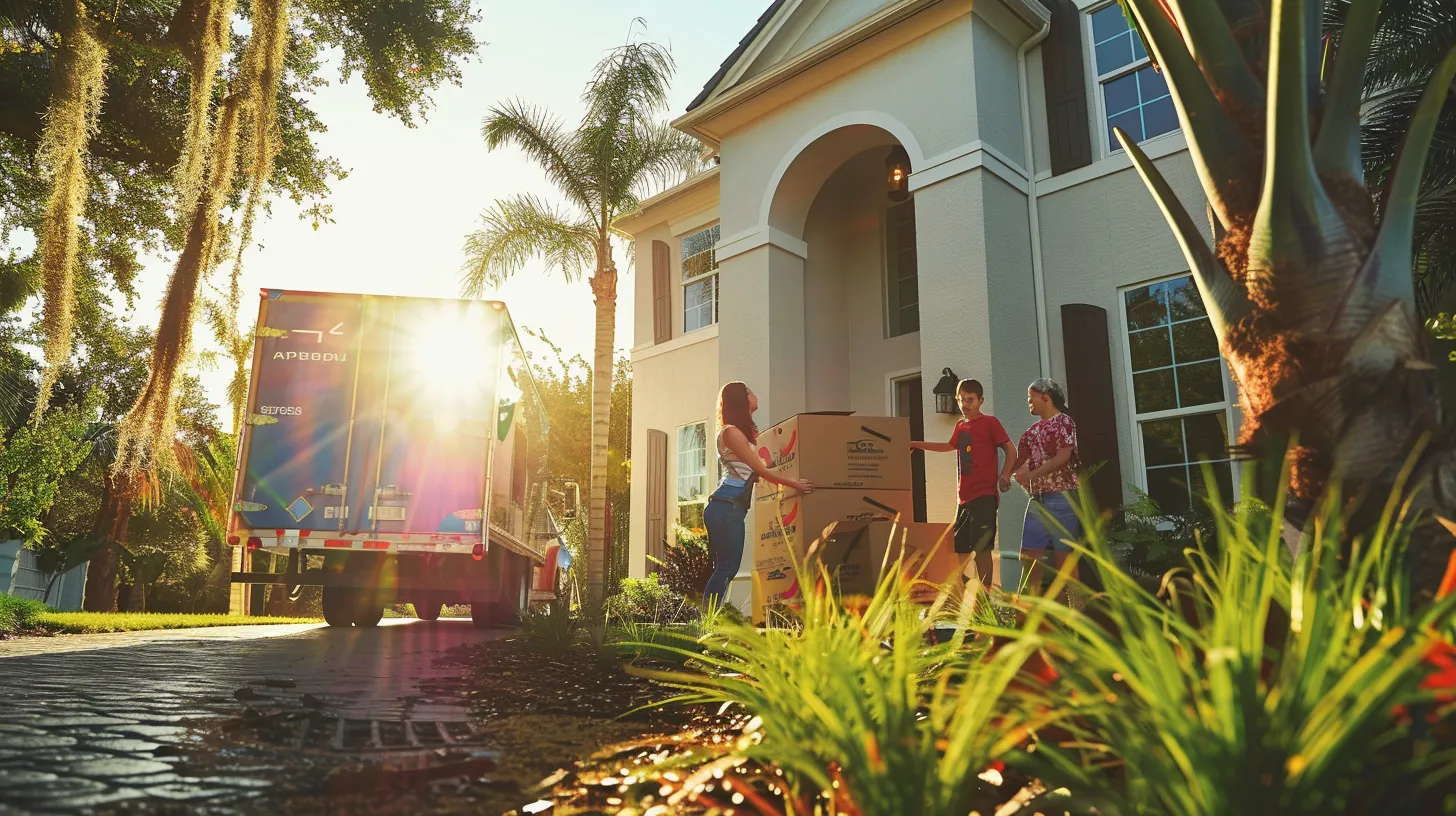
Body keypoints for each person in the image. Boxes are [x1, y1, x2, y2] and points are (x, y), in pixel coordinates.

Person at [702, 382, 814, 609]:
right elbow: (761, 470)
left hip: (730, 506)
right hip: (726, 506)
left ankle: (709, 618)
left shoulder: (744, 432)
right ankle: (707, 620)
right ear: (741, 400)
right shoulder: (730, 432)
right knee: (727, 568)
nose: (756, 395)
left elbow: (765, 463)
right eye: (750, 393)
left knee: (726, 567)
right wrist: (793, 484)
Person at [910, 379, 1016, 592]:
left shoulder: (990, 423)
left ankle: (985, 598)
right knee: (961, 550)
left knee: (982, 548)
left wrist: (1005, 474)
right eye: (961, 400)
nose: (965, 404)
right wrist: (915, 444)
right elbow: (949, 446)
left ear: (980, 400)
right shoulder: (961, 425)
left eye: (970, 400)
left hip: (984, 496)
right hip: (963, 499)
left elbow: (1010, 449)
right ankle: (967, 596)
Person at [1013, 377, 1081, 599]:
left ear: (1046, 397)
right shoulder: (1032, 432)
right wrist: (1006, 476)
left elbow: (1063, 457)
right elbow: (1018, 459)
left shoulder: (1064, 422)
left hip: (1063, 498)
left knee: (1065, 558)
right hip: (1038, 500)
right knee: (1028, 556)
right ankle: (1030, 613)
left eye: (1031, 397)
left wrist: (1032, 474)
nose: (1028, 401)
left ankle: (1077, 618)